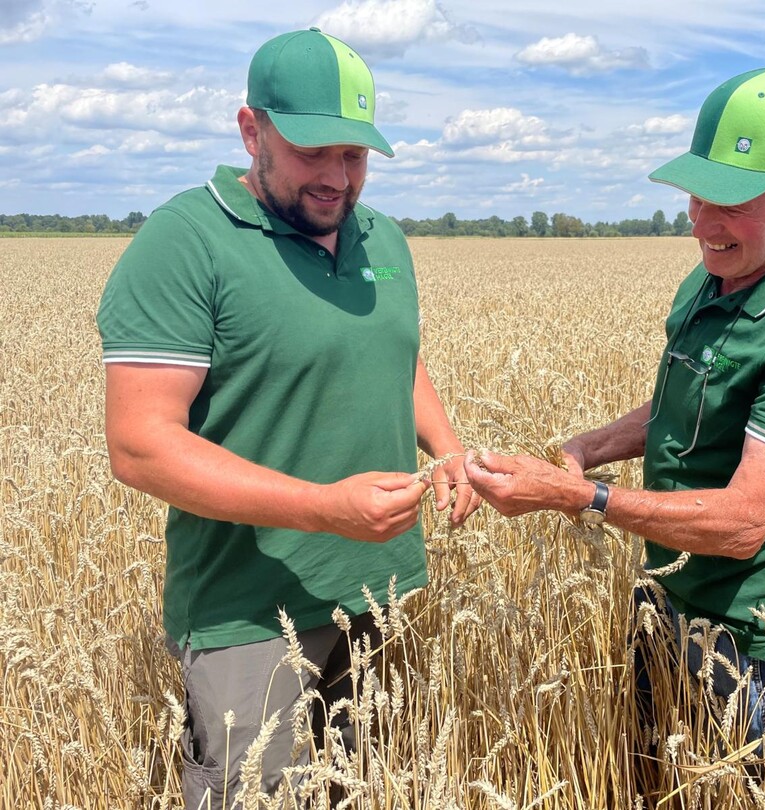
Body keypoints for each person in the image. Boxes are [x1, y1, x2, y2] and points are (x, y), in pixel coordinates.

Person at [464, 64, 765, 801]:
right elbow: (687, 406)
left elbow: (745, 523)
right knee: (650, 788)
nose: (702, 222)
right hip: (663, 605)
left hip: (755, 647)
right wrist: (588, 447)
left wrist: (578, 495)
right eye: (696, 194)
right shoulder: (712, 276)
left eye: (733, 202)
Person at [97, 28, 480, 806]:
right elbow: (140, 446)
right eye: (316, 152)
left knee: (363, 785)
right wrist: (320, 509)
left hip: (377, 591)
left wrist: (445, 447)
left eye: (357, 156)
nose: (339, 178)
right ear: (251, 129)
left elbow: (394, 355)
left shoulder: (383, 238)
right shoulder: (185, 242)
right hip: (248, 612)